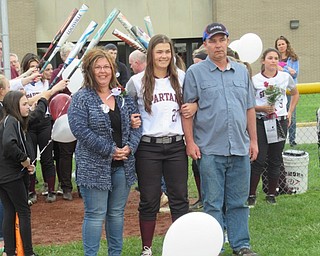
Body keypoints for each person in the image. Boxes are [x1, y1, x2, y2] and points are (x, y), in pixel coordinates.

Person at [183, 23, 259, 256]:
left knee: (238, 201)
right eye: (213, 41)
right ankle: (214, 245)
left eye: (222, 40)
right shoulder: (195, 73)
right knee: (213, 203)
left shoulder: (241, 72)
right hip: (209, 149)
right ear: (205, 44)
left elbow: (249, 108)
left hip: (239, 147)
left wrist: (253, 141)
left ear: (227, 42)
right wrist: (190, 142)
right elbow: (186, 111)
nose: (218, 45)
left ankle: (241, 245)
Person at [68, 47, 142, 256]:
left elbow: (137, 124)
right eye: (97, 67)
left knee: (116, 214)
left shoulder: (122, 96)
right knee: (95, 214)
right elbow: (80, 130)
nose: (102, 71)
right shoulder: (81, 98)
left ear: (113, 69)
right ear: (89, 71)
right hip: (94, 167)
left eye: (106, 67)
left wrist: (129, 147)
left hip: (122, 165)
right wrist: (110, 150)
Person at [126, 34, 189, 256]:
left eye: (167, 51)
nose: (164, 56)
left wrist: (195, 108)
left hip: (175, 145)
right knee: (149, 199)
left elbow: (193, 103)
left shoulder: (182, 77)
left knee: (179, 197)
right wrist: (131, 119)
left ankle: (182, 246)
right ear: (151, 54)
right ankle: (147, 248)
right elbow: (127, 110)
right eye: (159, 51)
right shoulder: (137, 81)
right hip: (148, 147)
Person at [248, 48, 299, 206]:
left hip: (278, 121)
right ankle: (251, 195)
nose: (273, 61)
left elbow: (295, 93)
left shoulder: (284, 77)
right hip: (261, 121)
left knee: (275, 159)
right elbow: (248, 104)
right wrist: (262, 108)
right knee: (259, 158)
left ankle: (272, 193)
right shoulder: (255, 79)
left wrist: (289, 112)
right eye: (270, 58)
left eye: (276, 58)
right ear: (263, 61)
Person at [0, 90, 37, 256]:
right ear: (15, 106)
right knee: (23, 211)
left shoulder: (6, 121)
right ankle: (28, 252)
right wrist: (24, 160)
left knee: (9, 210)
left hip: (4, 175)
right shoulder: (12, 121)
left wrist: (26, 164)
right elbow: (9, 144)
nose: (28, 107)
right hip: (11, 175)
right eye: (24, 104)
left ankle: (10, 251)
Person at [50, 41, 77, 200]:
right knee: (65, 153)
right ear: (65, 56)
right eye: (72, 54)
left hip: (80, 116)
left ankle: (82, 186)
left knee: (81, 152)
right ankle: (66, 187)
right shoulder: (57, 73)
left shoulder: (81, 71)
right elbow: (53, 94)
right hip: (64, 118)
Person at [188, 46, 207, 212]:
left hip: (210, 134)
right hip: (196, 133)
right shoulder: (191, 78)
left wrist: (198, 105)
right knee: (196, 166)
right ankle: (202, 196)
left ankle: (206, 197)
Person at [275, 36, 299, 147]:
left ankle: (292, 140)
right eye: (279, 44)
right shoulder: (275, 58)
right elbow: (275, 71)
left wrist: (283, 68)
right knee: (280, 114)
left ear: (287, 44)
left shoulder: (293, 58)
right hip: (279, 89)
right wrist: (288, 69)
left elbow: (295, 73)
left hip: (290, 89)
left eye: (282, 44)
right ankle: (281, 138)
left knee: (291, 115)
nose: (281, 46)